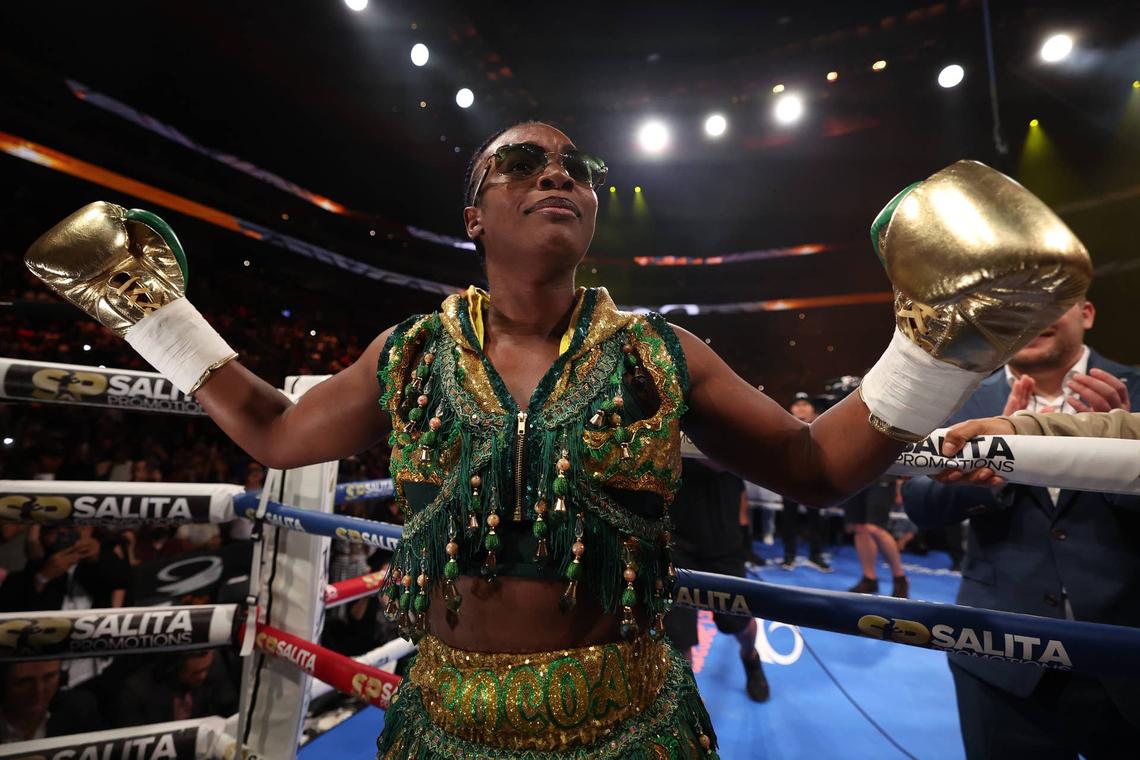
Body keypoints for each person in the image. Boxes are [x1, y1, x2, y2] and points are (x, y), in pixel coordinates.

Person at [23, 124, 1090, 758]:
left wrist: (940, 346)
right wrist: (149, 314)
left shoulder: (661, 354)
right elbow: (271, 425)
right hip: (446, 718)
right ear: (475, 214)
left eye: (576, 167)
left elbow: (817, 465)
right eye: (524, 161)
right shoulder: (409, 354)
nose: (558, 175)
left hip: (627, 715)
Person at [902, 300, 1140, 759]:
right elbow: (919, 504)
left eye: (1053, 301)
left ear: (1087, 313)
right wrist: (989, 478)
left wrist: (1120, 458)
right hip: (998, 659)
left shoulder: (1134, 394)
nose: (1034, 315)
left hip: (1126, 654)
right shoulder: (964, 400)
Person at [666, 458, 769, 702]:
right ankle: (684, 707)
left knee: (739, 624)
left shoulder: (731, 423)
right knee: (678, 637)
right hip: (675, 537)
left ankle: (750, 657)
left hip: (723, 539)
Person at [113, 650, 238, 727]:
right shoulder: (136, 692)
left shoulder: (214, 672)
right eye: (196, 673)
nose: (203, 676)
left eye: (206, 669)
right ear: (176, 665)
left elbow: (231, 714)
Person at [779, 393, 832, 572]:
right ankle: (789, 556)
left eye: (805, 404)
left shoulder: (822, 426)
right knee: (788, 518)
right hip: (789, 478)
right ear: (791, 409)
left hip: (815, 478)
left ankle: (815, 555)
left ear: (812, 409)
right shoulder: (782, 427)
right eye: (797, 404)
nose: (801, 408)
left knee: (816, 519)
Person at [0, 659, 102, 742]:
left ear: (61, 676)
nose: (39, 691)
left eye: (49, 677)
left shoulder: (78, 711)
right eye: (25, 681)